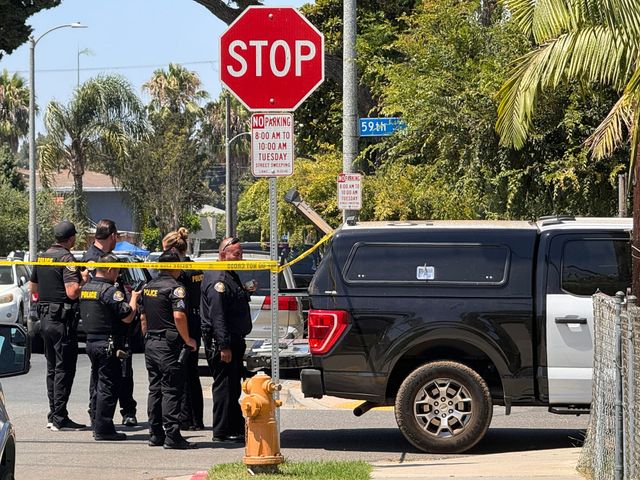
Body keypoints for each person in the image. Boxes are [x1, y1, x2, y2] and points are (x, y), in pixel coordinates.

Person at [29, 220, 86, 431]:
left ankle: (53, 414)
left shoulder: (42, 256)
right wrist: (84, 281)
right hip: (62, 320)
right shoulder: (67, 258)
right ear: (71, 239)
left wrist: (44, 302)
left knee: (52, 368)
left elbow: (33, 287)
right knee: (64, 368)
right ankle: (60, 417)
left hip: (45, 317)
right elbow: (72, 291)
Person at [82, 219, 138, 427]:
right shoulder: (93, 261)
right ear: (113, 235)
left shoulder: (102, 263)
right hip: (109, 328)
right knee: (106, 380)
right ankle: (101, 422)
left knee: (113, 376)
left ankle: (116, 413)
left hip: (107, 330)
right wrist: (132, 301)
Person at [140, 249, 197, 449]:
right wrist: (188, 339)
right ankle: (172, 436)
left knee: (155, 389)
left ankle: (155, 434)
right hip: (168, 345)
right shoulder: (176, 288)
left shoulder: (149, 287)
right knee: (171, 389)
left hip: (151, 343)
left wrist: (147, 337)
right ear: (174, 266)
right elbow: (179, 316)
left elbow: (143, 317)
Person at [200, 236, 254, 443]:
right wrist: (224, 345)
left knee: (233, 386)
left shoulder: (229, 275)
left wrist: (246, 292)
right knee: (224, 387)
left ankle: (234, 427)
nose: (240, 257)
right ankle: (221, 431)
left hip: (233, 338)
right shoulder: (219, 279)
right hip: (224, 340)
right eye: (236, 254)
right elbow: (218, 315)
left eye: (241, 254)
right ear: (223, 254)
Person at [162, 228, 204, 431]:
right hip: (196, 319)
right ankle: (196, 418)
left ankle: (185, 418)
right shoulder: (195, 269)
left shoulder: (179, 273)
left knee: (181, 371)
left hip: (183, 321)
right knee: (192, 372)